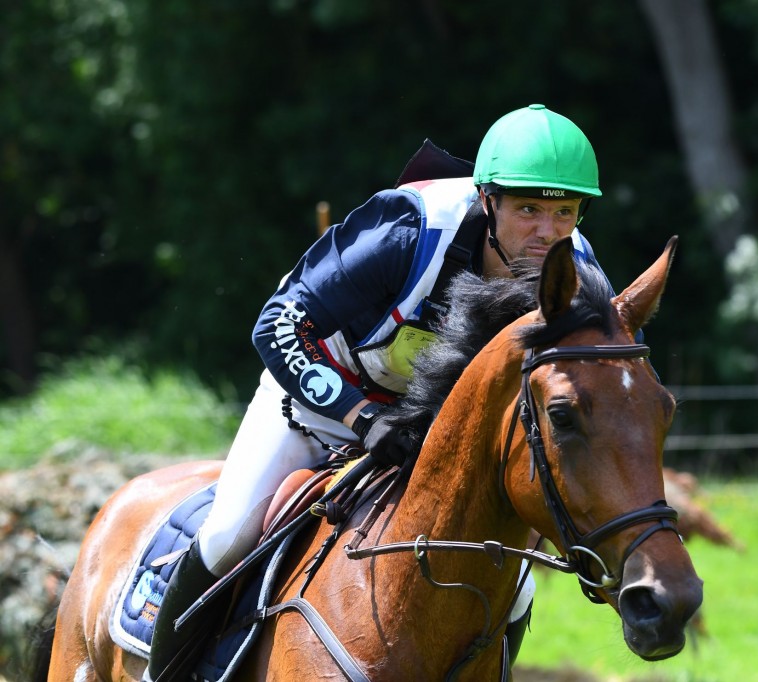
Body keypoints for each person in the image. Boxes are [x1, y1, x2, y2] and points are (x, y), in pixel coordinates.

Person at [145, 103, 606, 681]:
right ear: (488, 200)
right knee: (228, 534)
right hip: (318, 408)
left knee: (514, 589)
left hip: (426, 440)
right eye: (528, 210)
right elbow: (279, 323)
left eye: (565, 212)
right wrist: (362, 418)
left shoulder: (576, 271)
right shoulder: (408, 230)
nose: (547, 233)